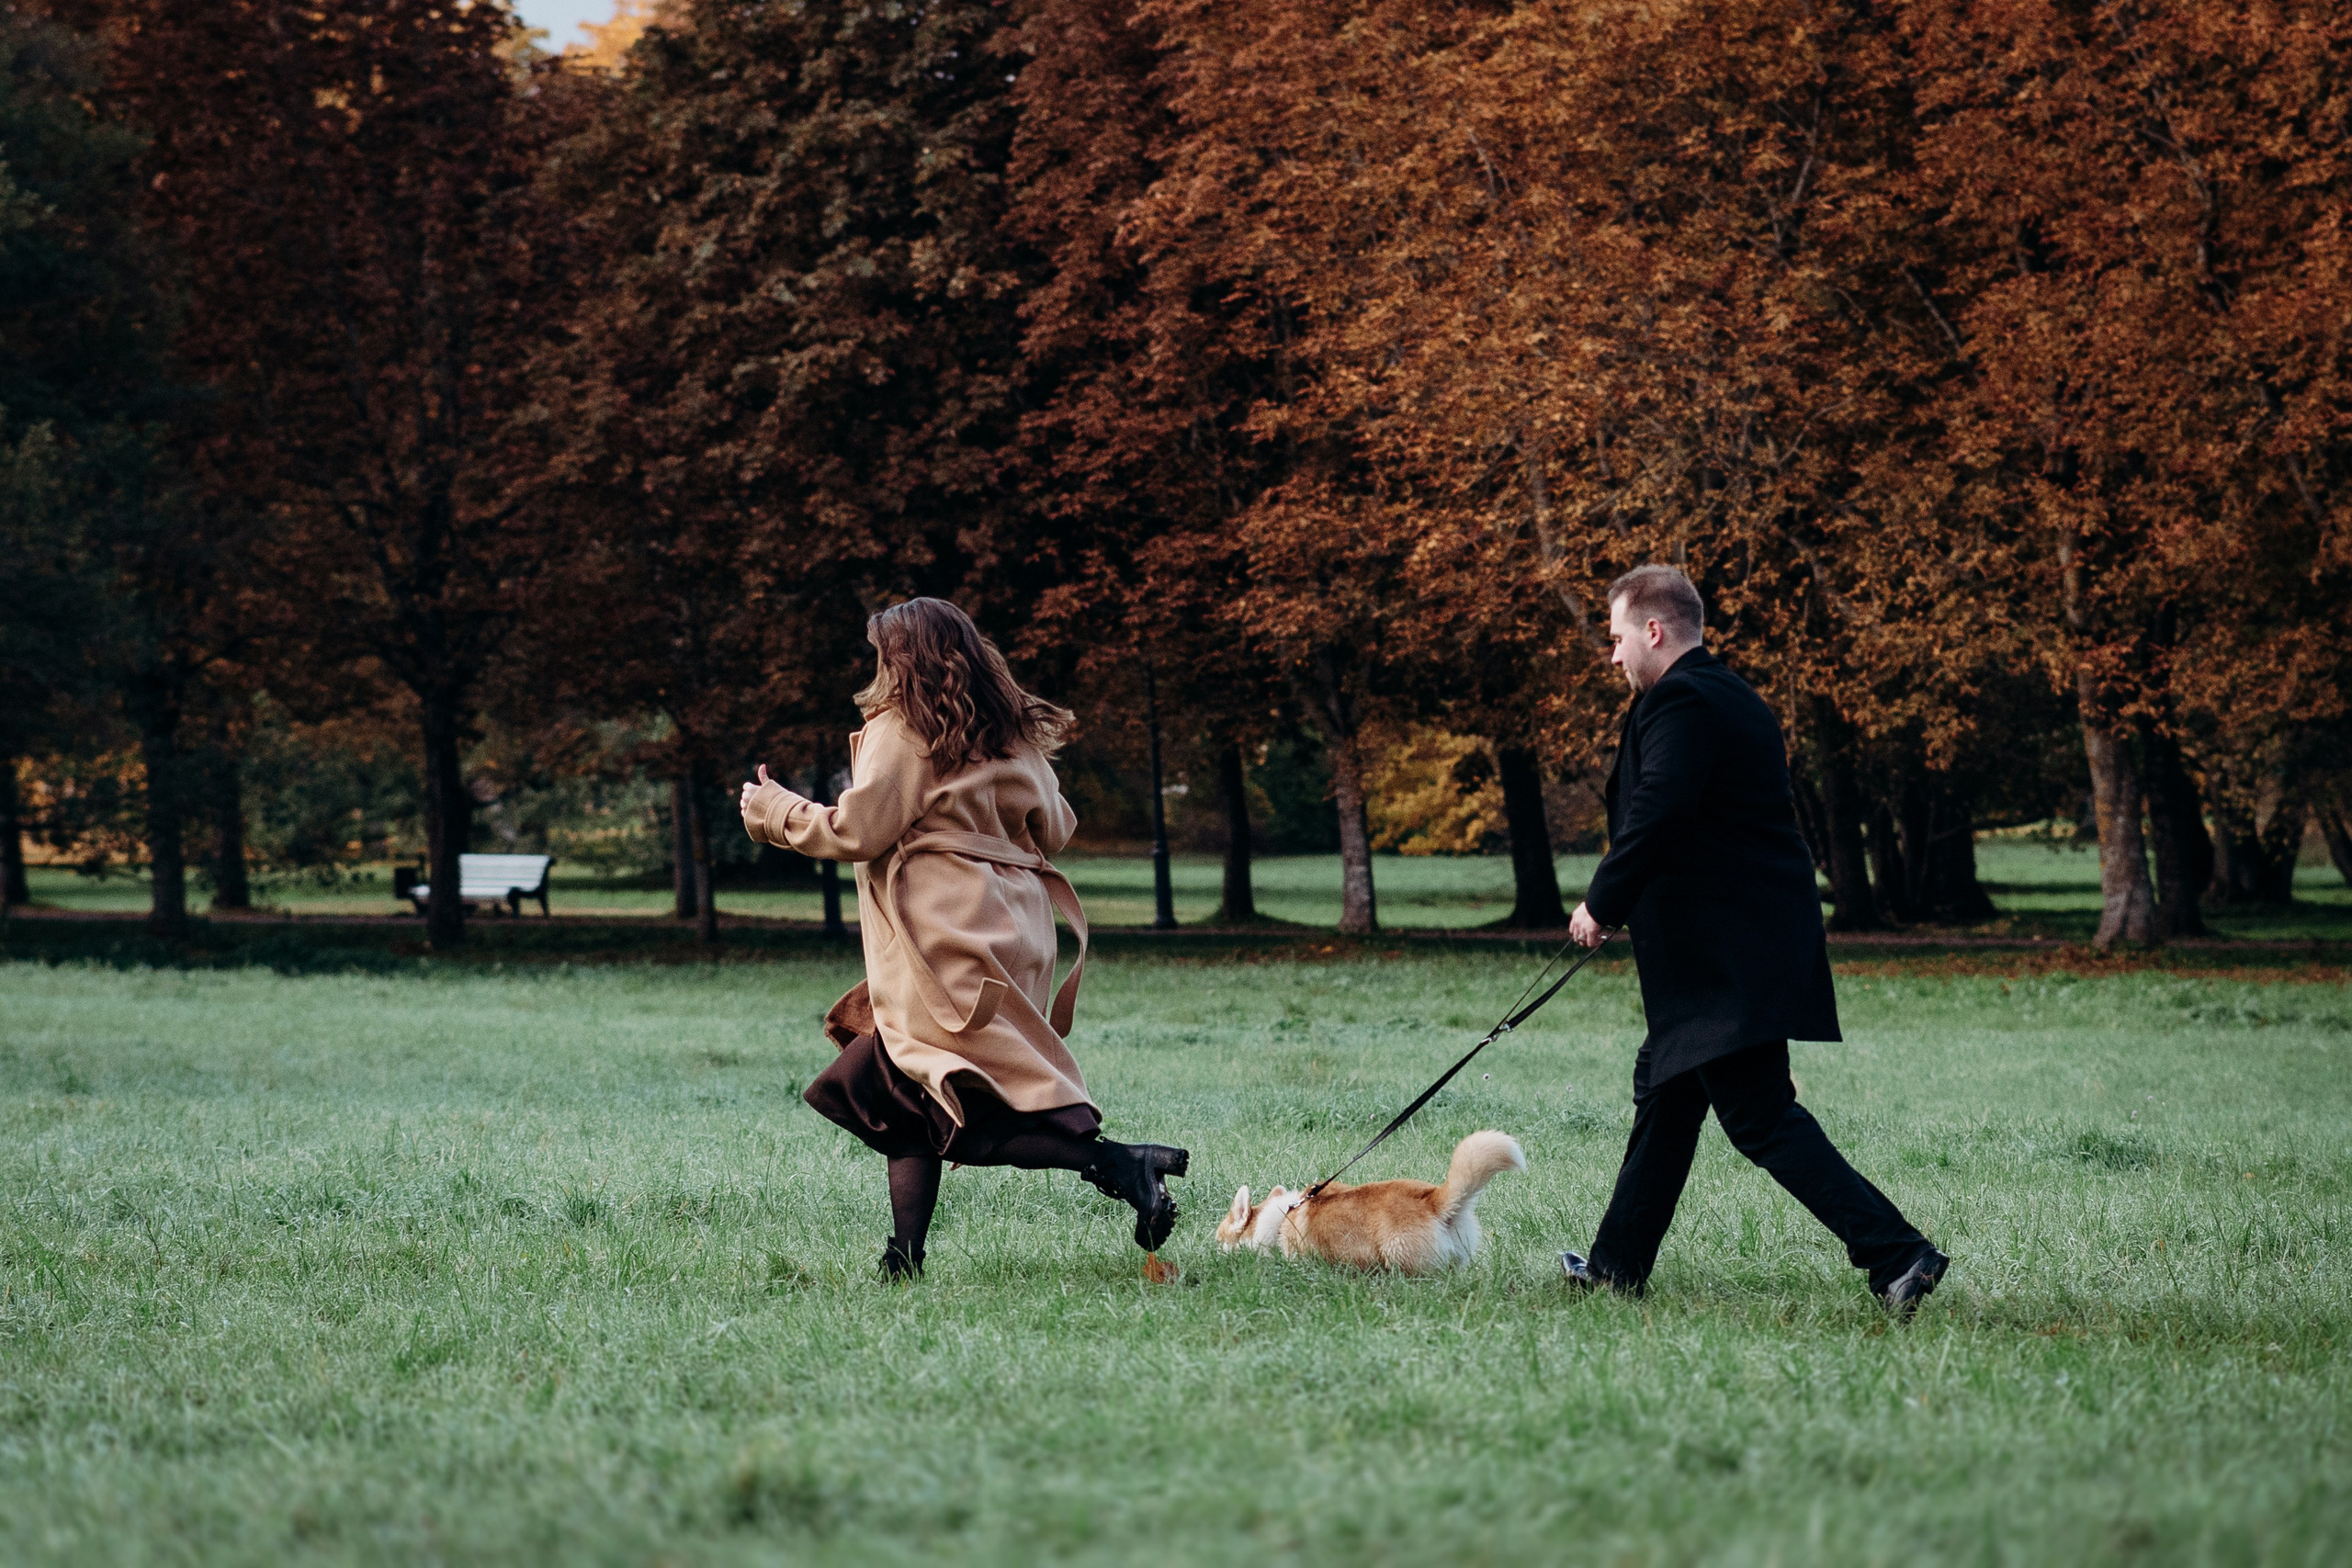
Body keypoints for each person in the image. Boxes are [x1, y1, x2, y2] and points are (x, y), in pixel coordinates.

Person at [740, 598, 1188, 1279]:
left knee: (951, 1103)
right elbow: (1056, 828)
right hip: (1014, 932)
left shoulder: (904, 727)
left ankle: (1120, 1163)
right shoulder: (1009, 730)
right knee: (907, 1096)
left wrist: (773, 810)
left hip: (944, 937)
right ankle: (904, 1259)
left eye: (883, 654)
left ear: (903, 658)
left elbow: (858, 830)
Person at [1558, 565, 1948, 1314]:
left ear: (1653, 630)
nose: (1613, 656)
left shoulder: (1684, 701)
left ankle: (1898, 1253)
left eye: (1617, 638)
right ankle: (1614, 1270)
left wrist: (1602, 902)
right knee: (1666, 1095)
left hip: (1725, 962)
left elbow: (1659, 807)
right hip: (1727, 956)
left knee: (1759, 1116)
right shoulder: (1726, 693)